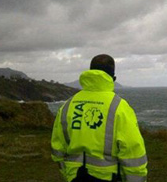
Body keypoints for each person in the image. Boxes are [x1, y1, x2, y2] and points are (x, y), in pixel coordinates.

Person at [51, 54, 147, 182]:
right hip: (108, 177)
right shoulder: (119, 107)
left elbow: (58, 148)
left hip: (74, 177)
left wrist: (67, 174)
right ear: (113, 78)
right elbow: (133, 152)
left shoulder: (68, 105)